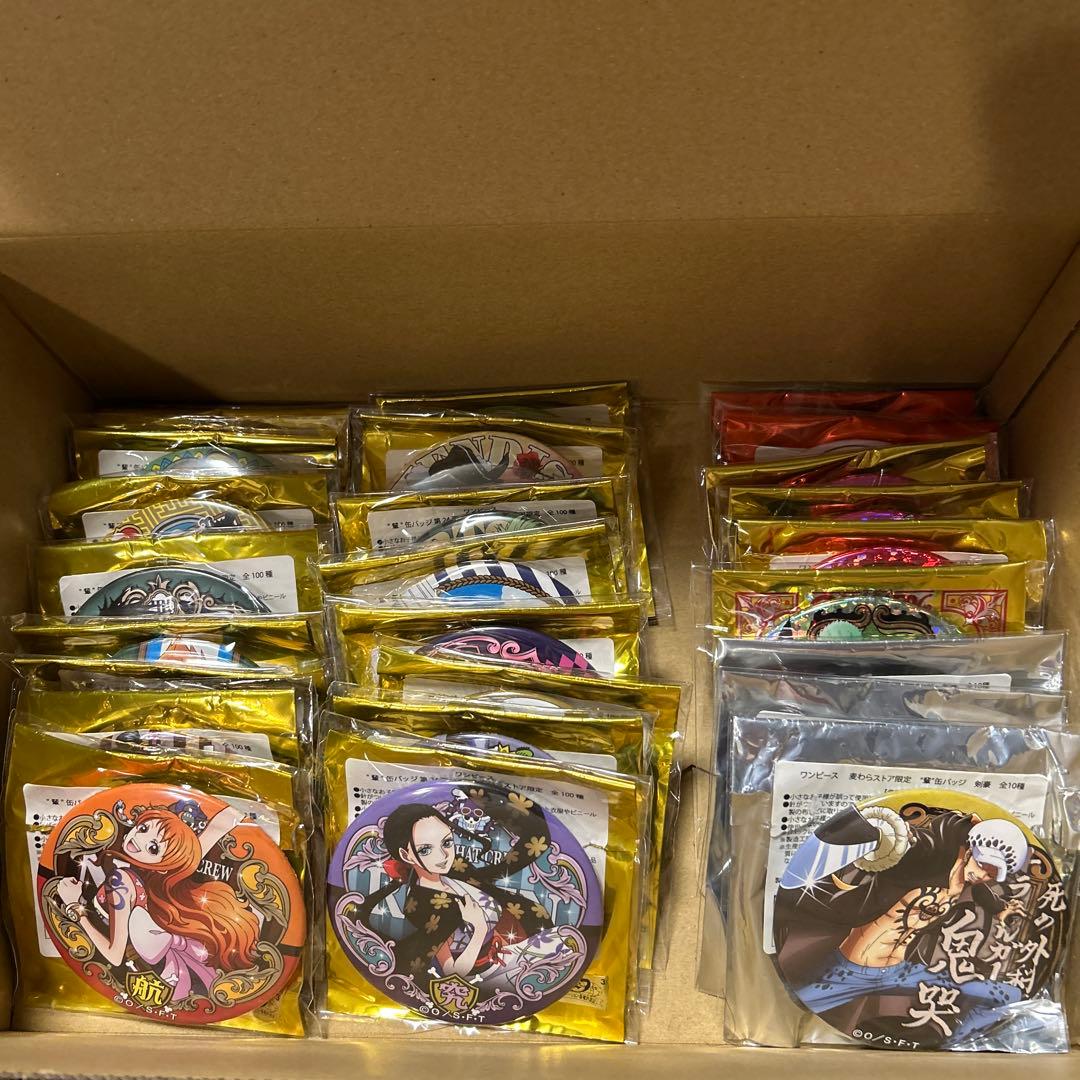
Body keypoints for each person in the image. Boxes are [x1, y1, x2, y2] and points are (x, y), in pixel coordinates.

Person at [775, 806, 1030, 1046]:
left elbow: (981, 892)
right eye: (984, 865)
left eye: (992, 874)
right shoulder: (931, 857)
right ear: (972, 848)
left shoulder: (966, 882)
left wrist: (1001, 909)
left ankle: (957, 1039)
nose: (983, 876)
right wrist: (897, 838)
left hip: (900, 972)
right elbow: (916, 845)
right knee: (790, 1006)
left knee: (1006, 995)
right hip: (850, 972)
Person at [55, 801, 259, 1002]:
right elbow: (203, 843)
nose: (139, 839)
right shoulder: (157, 878)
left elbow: (114, 955)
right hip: (157, 970)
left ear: (166, 863)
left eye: (153, 848)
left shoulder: (120, 882)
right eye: (143, 828)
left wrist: (74, 906)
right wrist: (243, 810)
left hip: (144, 971)